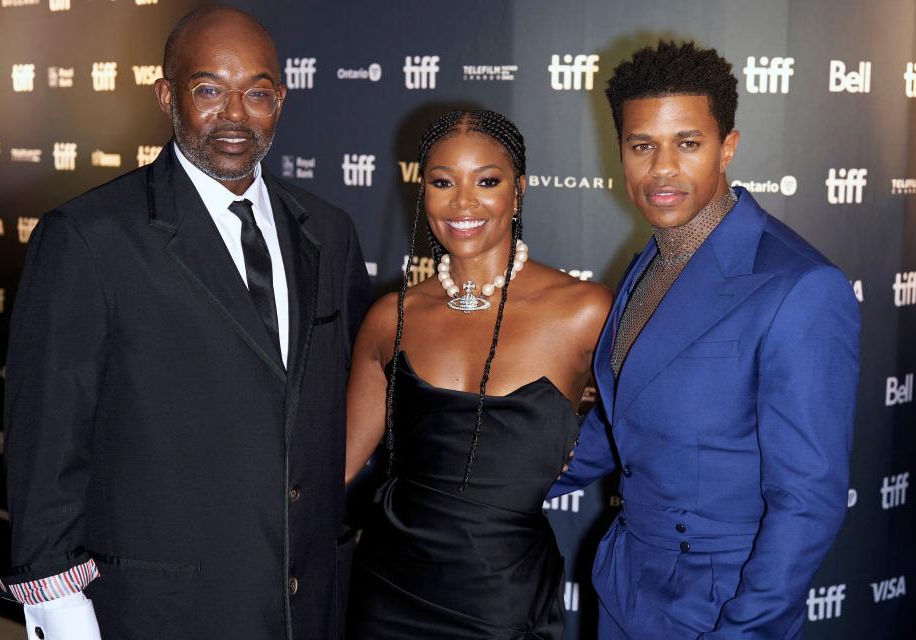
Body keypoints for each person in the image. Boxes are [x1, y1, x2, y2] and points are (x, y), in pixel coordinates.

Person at [0, 6, 373, 640]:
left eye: (257, 92)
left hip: (308, 605)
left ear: (280, 99)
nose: (236, 114)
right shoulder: (88, 239)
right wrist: (59, 609)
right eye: (208, 90)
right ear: (167, 95)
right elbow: (46, 443)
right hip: (159, 611)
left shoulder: (328, 232)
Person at [548, 41, 860, 638]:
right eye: (643, 146)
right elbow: (622, 424)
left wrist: (744, 631)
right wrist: (487, 481)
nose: (662, 169)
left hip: (719, 608)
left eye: (687, 144)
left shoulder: (801, 288)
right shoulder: (650, 262)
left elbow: (808, 501)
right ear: (620, 152)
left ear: (728, 147)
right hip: (623, 587)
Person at [344, 110, 612, 639]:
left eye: (487, 181)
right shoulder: (390, 317)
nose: (463, 203)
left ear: (519, 191)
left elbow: (650, 434)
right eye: (443, 182)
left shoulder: (585, 312)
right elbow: (336, 465)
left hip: (504, 600)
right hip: (387, 593)